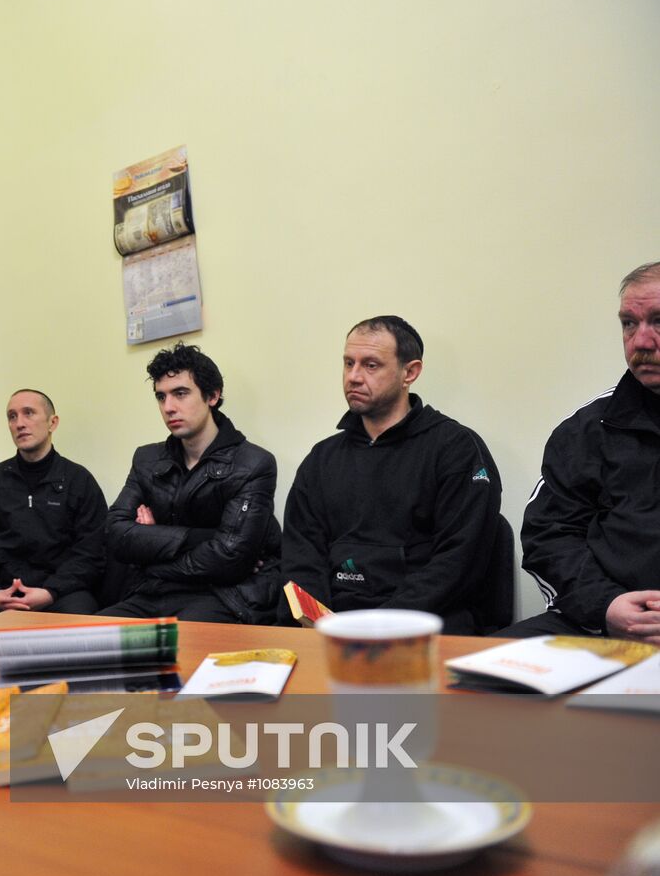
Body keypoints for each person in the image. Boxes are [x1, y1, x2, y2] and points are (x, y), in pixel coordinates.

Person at [281, 315, 502, 634]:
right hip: (334, 626)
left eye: (371, 365)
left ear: (409, 372)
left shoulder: (455, 449)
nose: (353, 377)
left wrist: (377, 626)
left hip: (424, 622)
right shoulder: (322, 458)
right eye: (348, 363)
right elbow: (301, 556)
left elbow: (458, 562)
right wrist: (319, 623)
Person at [508, 262, 660, 641]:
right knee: (469, 670)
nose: (641, 341)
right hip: (603, 623)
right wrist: (606, 606)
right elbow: (548, 536)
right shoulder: (588, 430)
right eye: (629, 323)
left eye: (659, 321)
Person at [102, 343, 282, 623]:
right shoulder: (147, 459)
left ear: (213, 396)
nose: (168, 407)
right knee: (92, 637)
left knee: (179, 642)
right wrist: (204, 536)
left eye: (181, 393)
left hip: (223, 595)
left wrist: (151, 550)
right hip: (152, 593)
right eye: (161, 397)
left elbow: (230, 559)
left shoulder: (253, 463)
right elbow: (115, 533)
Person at [0, 389, 105, 620]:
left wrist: (50, 592)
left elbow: (91, 551)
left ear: (52, 422)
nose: (19, 423)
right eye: (12, 416)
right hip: (1, 595)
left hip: (62, 594)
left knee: (81, 628)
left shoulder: (78, 481)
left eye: (29, 413)